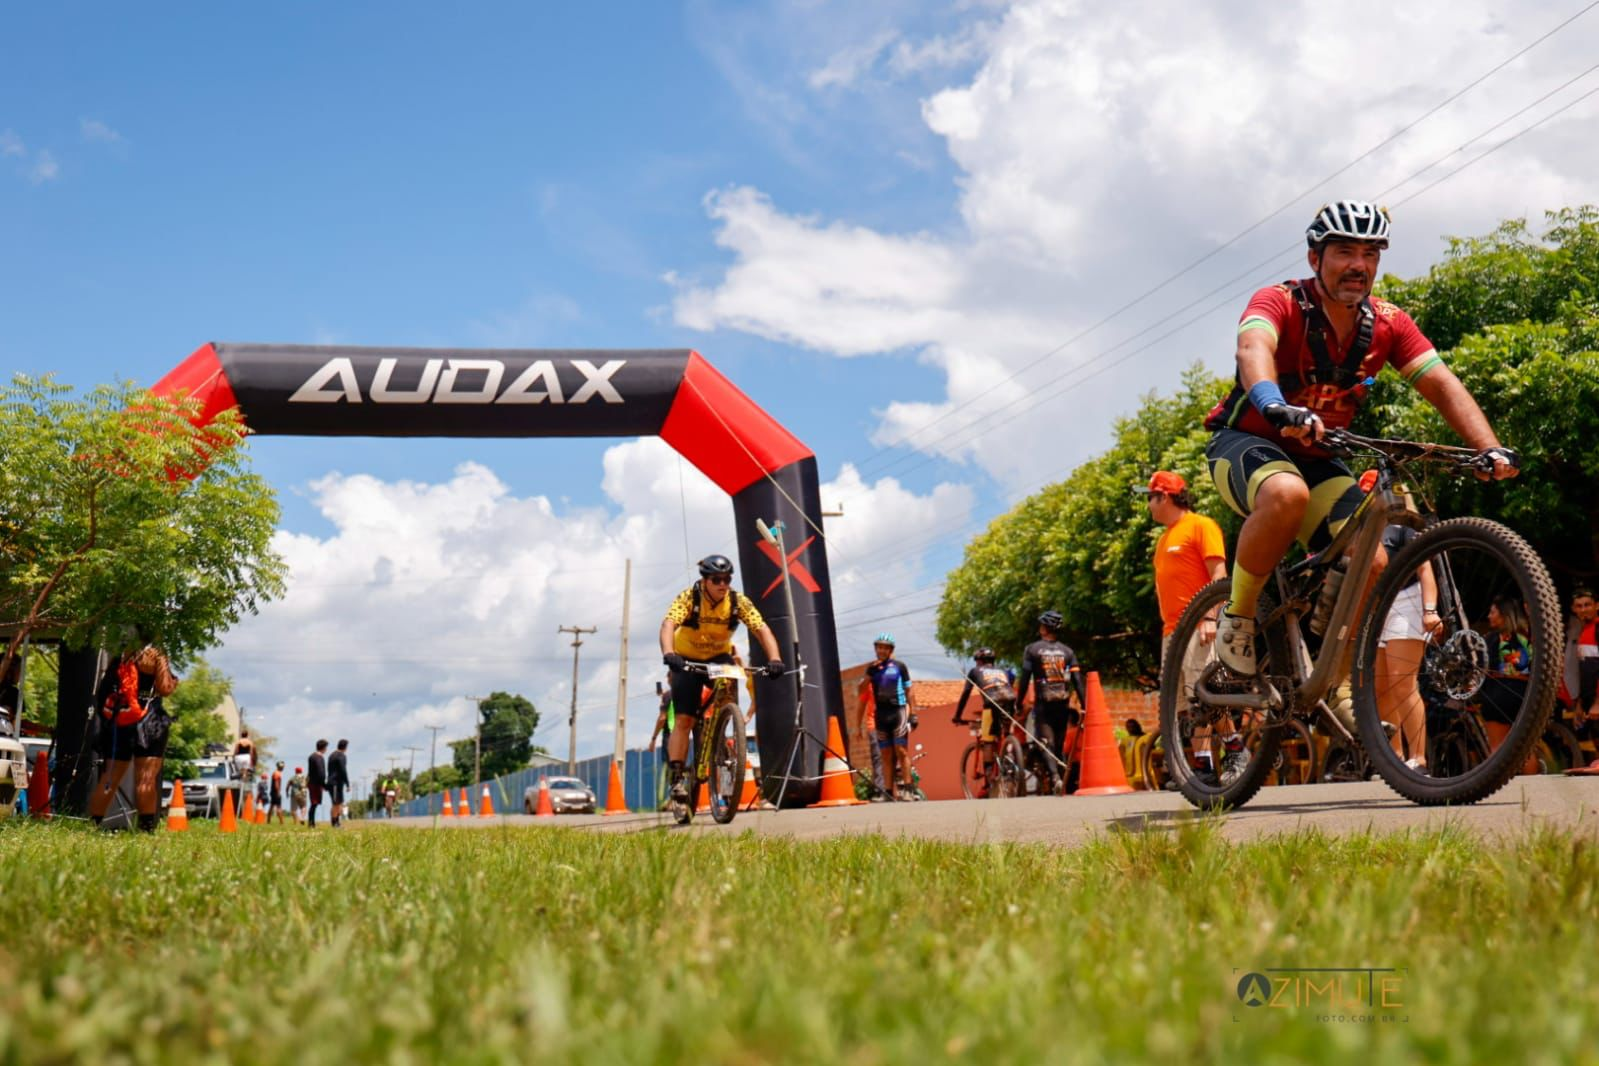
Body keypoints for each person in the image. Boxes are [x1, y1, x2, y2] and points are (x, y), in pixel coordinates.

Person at [1204, 200, 1517, 678]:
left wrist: (1488, 447)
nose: (1359, 265)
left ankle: (1333, 680)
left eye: (1371, 254)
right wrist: (1273, 404)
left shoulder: (1388, 322)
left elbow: (1441, 383)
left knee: (1372, 561)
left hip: (1319, 457)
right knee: (1287, 493)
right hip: (1246, 443)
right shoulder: (1279, 300)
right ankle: (1239, 616)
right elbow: (1253, 348)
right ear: (1315, 258)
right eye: (1345, 252)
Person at [658, 555, 785, 807]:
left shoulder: (738, 602)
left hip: (718, 658)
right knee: (684, 720)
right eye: (717, 580)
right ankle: (677, 777)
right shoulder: (690, 598)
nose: (723, 584)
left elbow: (761, 629)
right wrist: (669, 653)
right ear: (705, 580)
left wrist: (775, 658)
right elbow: (668, 624)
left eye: (727, 579)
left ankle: (723, 727)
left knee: (728, 700)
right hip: (687, 659)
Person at [1358, 469, 1441, 772]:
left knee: (1402, 682)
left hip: (1407, 601)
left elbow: (1425, 571)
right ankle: (1393, 758)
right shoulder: (1362, 533)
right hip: (1377, 610)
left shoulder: (1405, 529)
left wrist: (1430, 610)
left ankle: (1418, 757)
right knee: (1381, 687)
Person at [87, 642, 180, 832]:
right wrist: (169, 675)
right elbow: (165, 688)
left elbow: (105, 689)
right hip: (150, 720)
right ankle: (146, 830)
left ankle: (93, 825)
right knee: (146, 780)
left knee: (110, 778)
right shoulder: (156, 654)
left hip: (121, 719)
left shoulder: (121, 653)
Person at [1014, 611, 1086, 779]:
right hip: (1062, 703)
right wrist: (1085, 704)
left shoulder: (1032, 649)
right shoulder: (1068, 651)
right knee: (1059, 746)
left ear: (1044, 628)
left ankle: (1055, 778)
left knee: (1046, 743)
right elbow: (1077, 679)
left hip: (1043, 704)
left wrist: (1018, 703)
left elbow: (1025, 678)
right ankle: (1061, 781)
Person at [952, 648, 1017, 791]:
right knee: (1006, 734)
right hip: (1010, 702)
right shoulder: (1003, 671)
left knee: (988, 740)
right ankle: (1011, 756)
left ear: (979, 661)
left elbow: (966, 694)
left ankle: (989, 774)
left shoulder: (975, 671)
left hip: (991, 705)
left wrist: (957, 716)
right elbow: (1011, 682)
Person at [864, 633, 915, 800]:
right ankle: (887, 792)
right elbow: (861, 689)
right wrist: (868, 674)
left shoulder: (900, 666)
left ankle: (908, 789)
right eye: (879, 647)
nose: (882, 650)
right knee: (885, 754)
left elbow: (909, 691)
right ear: (875, 649)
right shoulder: (872, 669)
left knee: (901, 751)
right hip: (881, 714)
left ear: (891, 650)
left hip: (898, 711)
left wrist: (913, 714)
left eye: (885, 648)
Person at [1560, 588, 1598, 729]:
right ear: (1573, 609)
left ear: (1597, 605)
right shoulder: (1583, 632)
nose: (1583, 610)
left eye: (1587, 605)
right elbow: (1585, 672)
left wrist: (1598, 702)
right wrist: (1580, 704)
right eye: (1579, 606)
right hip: (1588, 701)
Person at [327, 739, 350, 827]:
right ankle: (335, 823)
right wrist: (347, 783)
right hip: (336, 783)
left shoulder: (331, 755)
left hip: (332, 782)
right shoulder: (341, 756)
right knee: (336, 803)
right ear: (345, 747)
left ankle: (336, 822)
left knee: (338, 803)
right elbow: (343, 770)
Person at [307, 739, 328, 828]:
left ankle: (311, 822)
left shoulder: (311, 756)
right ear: (324, 748)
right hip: (317, 783)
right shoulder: (319, 757)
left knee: (313, 803)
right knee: (314, 803)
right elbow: (321, 772)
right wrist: (324, 784)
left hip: (311, 782)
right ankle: (311, 823)